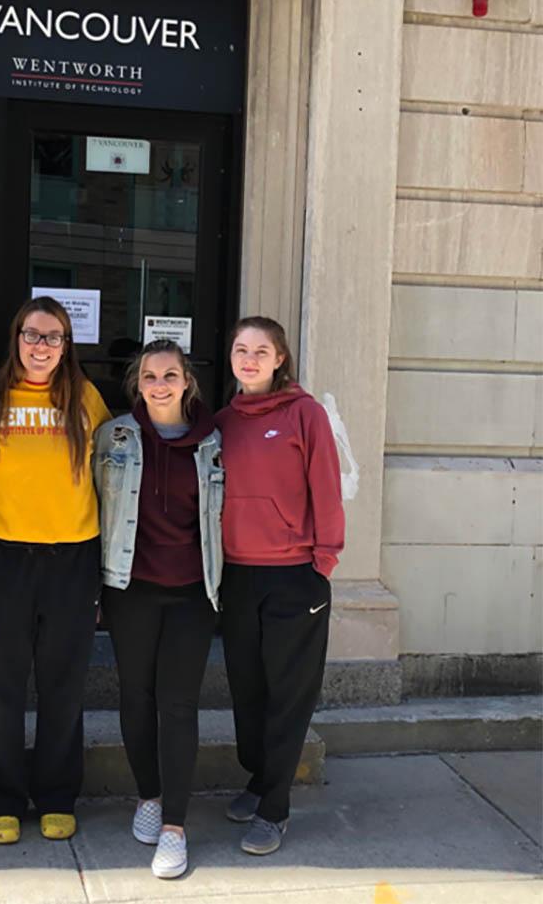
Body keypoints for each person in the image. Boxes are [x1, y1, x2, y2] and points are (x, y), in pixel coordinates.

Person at [0, 296, 111, 845]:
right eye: (32, 334)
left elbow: (106, 473)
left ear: (66, 344)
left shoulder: (86, 399)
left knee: (62, 685)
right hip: (2, 556)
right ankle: (1, 797)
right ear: (16, 338)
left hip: (72, 558)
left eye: (53, 337)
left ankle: (56, 794)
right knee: (0, 686)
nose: (41, 346)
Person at [94, 339, 224, 879]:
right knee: (135, 697)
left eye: (171, 374)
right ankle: (148, 796)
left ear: (187, 381)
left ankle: (174, 825)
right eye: (150, 375)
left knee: (178, 704)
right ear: (138, 383)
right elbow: (93, 506)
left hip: (193, 593)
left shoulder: (216, 442)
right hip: (131, 589)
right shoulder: (115, 435)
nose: (160, 384)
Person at [214, 316, 344, 856]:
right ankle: (259, 777)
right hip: (239, 575)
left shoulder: (304, 414)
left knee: (289, 695)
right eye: (241, 349)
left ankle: (276, 806)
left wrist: (323, 561)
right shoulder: (222, 420)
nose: (249, 359)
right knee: (249, 690)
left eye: (260, 351)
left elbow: (327, 488)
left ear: (279, 359)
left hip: (295, 577)